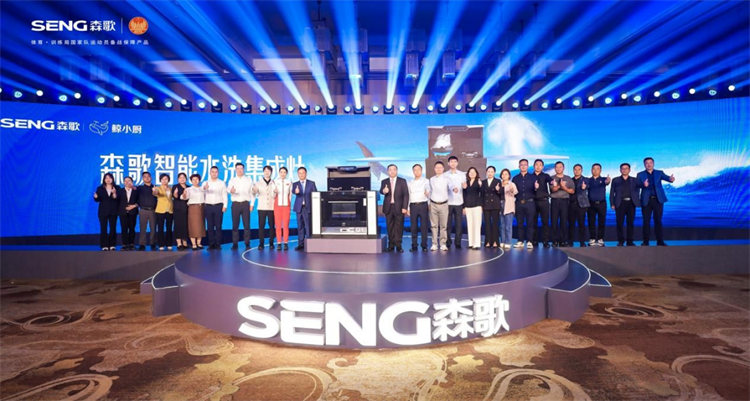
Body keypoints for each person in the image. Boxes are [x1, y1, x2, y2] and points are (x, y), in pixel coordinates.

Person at [637, 157, 675, 246]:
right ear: (644, 165)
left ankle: (660, 241)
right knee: (646, 221)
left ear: (653, 164)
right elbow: (637, 185)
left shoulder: (659, 172)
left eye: (650, 163)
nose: (649, 164)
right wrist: (643, 184)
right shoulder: (640, 174)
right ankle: (645, 242)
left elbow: (668, 178)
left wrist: (671, 179)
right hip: (646, 200)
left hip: (658, 200)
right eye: (647, 163)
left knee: (658, 220)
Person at [609, 163, 642, 246]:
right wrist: (612, 203)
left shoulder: (634, 180)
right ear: (620, 170)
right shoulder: (615, 180)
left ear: (629, 170)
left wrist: (637, 199)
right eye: (622, 168)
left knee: (630, 223)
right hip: (620, 203)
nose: (624, 170)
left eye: (626, 168)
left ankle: (630, 241)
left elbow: (640, 188)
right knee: (619, 223)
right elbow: (612, 193)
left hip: (631, 203)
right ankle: (620, 241)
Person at [380, 164, 409, 252]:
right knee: (390, 227)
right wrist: (384, 191)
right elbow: (381, 191)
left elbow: (406, 195)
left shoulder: (402, 181)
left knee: (399, 227)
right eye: (390, 170)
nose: (392, 171)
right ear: (388, 171)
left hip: (399, 207)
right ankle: (391, 245)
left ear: (396, 171)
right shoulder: (384, 181)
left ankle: (398, 245)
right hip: (388, 207)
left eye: (394, 169)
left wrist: (405, 207)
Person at [228, 162, 254, 250]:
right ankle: (235, 243)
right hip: (235, 204)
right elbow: (228, 189)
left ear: (244, 169)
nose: (240, 170)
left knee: (247, 225)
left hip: (245, 204)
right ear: (235, 169)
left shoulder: (248, 179)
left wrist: (252, 204)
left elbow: (252, 192)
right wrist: (231, 191)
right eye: (238, 168)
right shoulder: (232, 180)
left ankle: (247, 243)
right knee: (235, 225)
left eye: (241, 168)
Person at [429, 161, 454, 251]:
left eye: (440, 167)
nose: (438, 169)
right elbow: (430, 191)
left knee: (443, 226)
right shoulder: (431, 179)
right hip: (433, 204)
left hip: (444, 204)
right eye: (437, 167)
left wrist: (454, 189)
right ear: (434, 169)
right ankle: (434, 244)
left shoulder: (447, 179)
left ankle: (443, 244)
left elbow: (451, 186)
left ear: (443, 169)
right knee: (434, 226)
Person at [512, 159, 536, 249]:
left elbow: (536, 191)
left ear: (528, 166)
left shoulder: (533, 177)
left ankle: (530, 241)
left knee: (530, 223)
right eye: (521, 165)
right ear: (519, 166)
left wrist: (536, 188)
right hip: (519, 203)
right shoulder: (515, 178)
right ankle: (520, 241)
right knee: (520, 223)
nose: (523, 166)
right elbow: (513, 192)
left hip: (530, 203)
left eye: (525, 165)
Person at [549, 161, 575, 247]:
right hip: (554, 201)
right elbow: (553, 190)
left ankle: (563, 240)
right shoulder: (551, 178)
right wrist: (560, 186)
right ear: (555, 168)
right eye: (557, 167)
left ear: (563, 168)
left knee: (564, 221)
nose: (558, 169)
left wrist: (564, 188)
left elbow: (572, 191)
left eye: (560, 167)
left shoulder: (568, 178)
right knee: (554, 221)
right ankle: (554, 241)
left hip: (565, 201)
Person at [292, 167, 317, 251]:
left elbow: (315, 195)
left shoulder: (311, 183)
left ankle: (310, 244)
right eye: (300, 173)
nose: (301, 174)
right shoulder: (295, 184)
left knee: (308, 226)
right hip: (299, 208)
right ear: (298, 174)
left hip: (307, 207)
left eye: (303, 173)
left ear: (306, 174)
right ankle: (301, 244)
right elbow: (293, 191)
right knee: (300, 226)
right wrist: (296, 192)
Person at [203, 166, 228, 250]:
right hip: (208, 206)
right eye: (212, 172)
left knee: (218, 226)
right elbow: (201, 193)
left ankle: (218, 244)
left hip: (218, 206)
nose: (214, 173)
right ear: (210, 173)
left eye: (216, 172)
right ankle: (211, 244)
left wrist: (225, 205)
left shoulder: (222, 183)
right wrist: (205, 189)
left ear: (218, 173)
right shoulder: (205, 183)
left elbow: (224, 194)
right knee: (209, 226)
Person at [407, 164, 430, 252]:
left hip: (423, 205)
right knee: (413, 227)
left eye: (418, 169)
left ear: (421, 170)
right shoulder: (410, 182)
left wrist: (427, 194)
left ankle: (424, 245)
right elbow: (408, 195)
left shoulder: (426, 181)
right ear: (413, 171)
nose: (417, 171)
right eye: (415, 170)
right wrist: (408, 208)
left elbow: (428, 190)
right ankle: (414, 245)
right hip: (413, 206)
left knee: (424, 226)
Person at [253, 165, 276, 250]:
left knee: (271, 226)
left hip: (271, 207)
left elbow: (275, 195)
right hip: (262, 207)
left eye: (268, 171)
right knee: (261, 226)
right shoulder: (258, 183)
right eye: (265, 171)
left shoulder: (274, 183)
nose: (267, 172)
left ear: (271, 172)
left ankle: (271, 243)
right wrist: (254, 190)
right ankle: (261, 244)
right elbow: (254, 192)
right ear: (263, 172)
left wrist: (276, 192)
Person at [94, 172, 119, 250]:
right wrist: (96, 197)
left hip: (113, 211)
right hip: (103, 211)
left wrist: (114, 193)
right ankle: (104, 245)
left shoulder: (117, 187)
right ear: (104, 180)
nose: (108, 179)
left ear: (112, 179)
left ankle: (112, 245)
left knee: (113, 228)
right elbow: (98, 200)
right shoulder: (100, 188)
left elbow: (118, 199)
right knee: (103, 228)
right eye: (106, 178)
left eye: (109, 178)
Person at [587, 163, 610, 247]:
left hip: (601, 203)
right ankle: (592, 238)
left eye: (597, 169)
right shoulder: (588, 180)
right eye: (594, 168)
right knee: (591, 222)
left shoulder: (604, 179)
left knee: (602, 222)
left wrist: (608, 181)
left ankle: (600, 238)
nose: (595, 170)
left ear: (600, 170)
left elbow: (607, 182)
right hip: (591, 204)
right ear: (591, 170)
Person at [532, 159, 553, 248]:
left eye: (540, 165)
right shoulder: (530, 176)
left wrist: (553, 182)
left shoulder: (546, 176)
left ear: (542, 167)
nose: (538, 166)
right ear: (534, 166)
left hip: (544, 201)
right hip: (533, 202)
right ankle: (534, 241)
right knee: (533, 222)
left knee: (545, 222)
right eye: (536, 164)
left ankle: (545, 241)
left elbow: (551, 181)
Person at [445, 156, 466, 249]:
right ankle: (448, 242)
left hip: (459, 202)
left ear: (457, 163)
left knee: (459, 224)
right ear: (448, 163)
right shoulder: (445, 175)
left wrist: (464, 186)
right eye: (451, 162)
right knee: (447, 224)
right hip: (448, 202)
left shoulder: (462, 174)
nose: (453, 163)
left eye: (455, 161)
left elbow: (465, 188)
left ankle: (458, 242)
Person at [568, 164, 591, 248]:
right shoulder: (570, 180)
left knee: (581, 224)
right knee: (571, 224)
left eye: (579, 169)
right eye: (575, 169)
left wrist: (585, 187)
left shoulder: (586, 179)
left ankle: (582, 242)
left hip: (582, 205)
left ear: (581, 170)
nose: (577, 171)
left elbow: (588, 185)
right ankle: (570, 242)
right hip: (571, 205)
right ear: (573, 170)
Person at [463, 167, 483, 250]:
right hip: (468, 206)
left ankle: (476, 244)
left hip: (477, 206)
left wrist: (481, 186)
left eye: (473, 172)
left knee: (477, 225)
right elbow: (464, 195)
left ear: (476, 173)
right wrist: (464, 207)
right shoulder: (466, 183)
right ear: (468, 174)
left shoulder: (479, 182)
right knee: (470, 225)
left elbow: (482, 194)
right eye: (470, 172)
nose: (472, 173)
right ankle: (471, 243)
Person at [136, 171, 157, 251]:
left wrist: (155, 192)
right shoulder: (139, 188)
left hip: (153, 210)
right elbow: (136, 198)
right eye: (145, 176)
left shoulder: (155, 187)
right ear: (143, 179)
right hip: (143, 210)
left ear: (151, 178)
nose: (147, 178)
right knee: (142, 228)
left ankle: (153, 243)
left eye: (148, 176)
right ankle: (142, 244)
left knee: (153, 228)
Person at [184, 173, 206, 250]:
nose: (195, 181)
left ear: (199, 180)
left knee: (201, 226)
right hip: (193, 208)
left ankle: (199, 243)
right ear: (191, 181)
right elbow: (184, 197)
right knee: (192, 226)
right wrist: (184, 195)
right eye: (193, 179)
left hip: (201, 208)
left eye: (197, 179)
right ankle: (193, 244)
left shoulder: (202, 189)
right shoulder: (189, 189)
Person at [482, 166, 502, 248]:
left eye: (492, 171)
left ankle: (495, 241)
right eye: (488, 171)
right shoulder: (483, 182)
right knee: (487, 224)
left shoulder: (498, 181)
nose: (490, 173)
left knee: (495, 224)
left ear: (494, 173)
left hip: (495, 205)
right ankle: (487, 241)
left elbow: (501, 193)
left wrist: (498, 190)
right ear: (486, 172)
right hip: (486, 205)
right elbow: (482, 194)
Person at [274, 167, 293, 251]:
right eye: (281, 172)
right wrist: (274, 192)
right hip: (277, 206)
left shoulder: (289, 182)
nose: (283, 174)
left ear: (286, 173)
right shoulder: (275, 182)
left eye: (284, 172)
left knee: (285, 225)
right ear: (279, 173)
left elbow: (290, 194)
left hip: (286, 206)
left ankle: (285, 242)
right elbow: (273, 195)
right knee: (278, 225)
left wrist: (289, 204)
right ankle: (279, 243)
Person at [117, 176, 139, 250]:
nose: (127, 182)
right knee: (124, 228)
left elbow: (139, 200)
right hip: (123, 212)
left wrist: (134, 206)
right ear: (123, 182)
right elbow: (117, 201)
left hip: (133, 212)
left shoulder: (136, 191)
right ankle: (124, 244)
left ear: (132, 182)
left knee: (132, 228)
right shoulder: (120, 191)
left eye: (129, 180)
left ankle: (131, 244)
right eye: (125, 181)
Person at [154, 174, 174, 251]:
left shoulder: (171, 188)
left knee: (169, 228)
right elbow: (155, 193)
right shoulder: (157, 188)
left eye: (166, 179)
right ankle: (161, 244)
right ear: (160, 180)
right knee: (160, 228)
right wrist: (154, 191)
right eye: (162, 179)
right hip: (160, 210)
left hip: (170, 210)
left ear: (168, 180)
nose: (164, 180)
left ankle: (169, 243)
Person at [499, 168, 518, 249]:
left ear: (509, 176)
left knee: (508, 226)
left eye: (506, 174)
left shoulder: (511, 184)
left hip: (508, 206)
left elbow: (515, 192)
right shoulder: (499, 184)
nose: (504, 175)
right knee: (502, 226)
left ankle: (508, 242)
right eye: (503, 174)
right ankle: (502, 241)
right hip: (500, 205)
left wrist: (512, 190)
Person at [172, 173, 190, 251]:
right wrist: (175, 193)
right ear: (178, 179)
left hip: (187, 209)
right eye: (180, 177)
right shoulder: (175, 186)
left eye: (183, 177)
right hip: (178, 209)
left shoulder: (189, 187)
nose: (182, 179)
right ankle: (179, 243)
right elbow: (175, 196)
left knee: (185, 225)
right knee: (178, 225)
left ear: (186, 179)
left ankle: (185, 242)